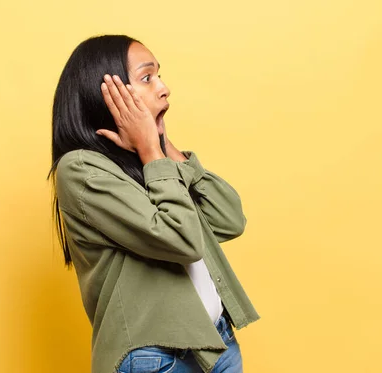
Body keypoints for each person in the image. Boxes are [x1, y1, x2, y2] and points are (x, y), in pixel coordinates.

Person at [49, 35, 259, 373]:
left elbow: (230, 219)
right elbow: (183, 241)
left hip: (215, 344)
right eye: (147, 78)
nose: (163, 88)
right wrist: (151, 152)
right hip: (157, 359)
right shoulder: (81, 169)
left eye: (159, 76)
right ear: (107, 97)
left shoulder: (150, 161)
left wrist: (162, 146)